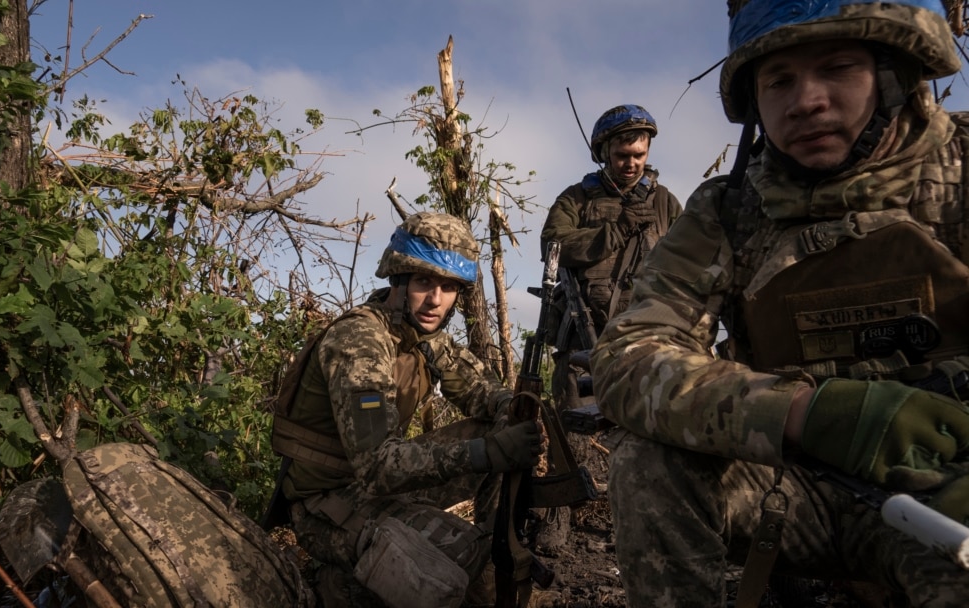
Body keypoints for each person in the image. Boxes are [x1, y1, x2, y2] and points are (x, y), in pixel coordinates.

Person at [591, 1, 969, 606]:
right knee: (648, 462)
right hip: (799, 486)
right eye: (779, 80)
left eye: (839, 67)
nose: (806, 101)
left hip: (944, 495)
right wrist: (799, 413)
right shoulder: (728, 208)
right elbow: (627, 356)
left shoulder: (961, 171)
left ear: (892, 72)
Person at [267, 212, 546, 608]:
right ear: (398, 280)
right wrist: (491, 452)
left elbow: (484, 391)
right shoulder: (360, 342)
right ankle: (343, 587)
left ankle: (484, 580)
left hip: (374, 485)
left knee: (482, 531)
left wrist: (510, 411)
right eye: (424, 282)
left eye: (448, 287)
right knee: (451, 562)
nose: (435, 300)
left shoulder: (421, 335)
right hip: (325, 504)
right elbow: (379, 466)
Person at [541, 104, 681, 418]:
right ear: (604, 152)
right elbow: (551, 245)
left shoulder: (665, 203)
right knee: (579, 439)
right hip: (583, 340)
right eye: (622, 156)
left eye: (639, 155)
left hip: (650, 342)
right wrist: (614, 231)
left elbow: (690, 264)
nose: (631, 164)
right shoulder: (576, 199)